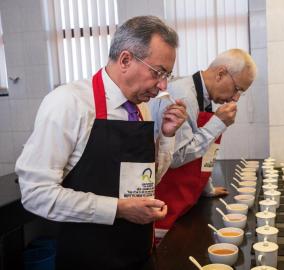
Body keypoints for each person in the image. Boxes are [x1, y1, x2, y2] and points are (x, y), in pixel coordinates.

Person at [15, 16, 187, 269]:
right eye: (158, 72)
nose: (162, 85)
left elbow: (146, 182)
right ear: (126, 60)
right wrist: (117, 209)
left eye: (167, 75)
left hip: (139, 253)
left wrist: (167, 137)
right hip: (87, 259)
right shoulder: (69, 103)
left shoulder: (142, 109)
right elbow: (35, 194)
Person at [150, 49, 257, 238]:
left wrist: (206, 188)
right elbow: (176, 157)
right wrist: (218, 123)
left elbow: (201, 146)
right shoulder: (181, 95)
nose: (235, 98)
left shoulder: (203, 96)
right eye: (237, 89)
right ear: (221, 74)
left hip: (186, 200)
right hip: (166, 204)